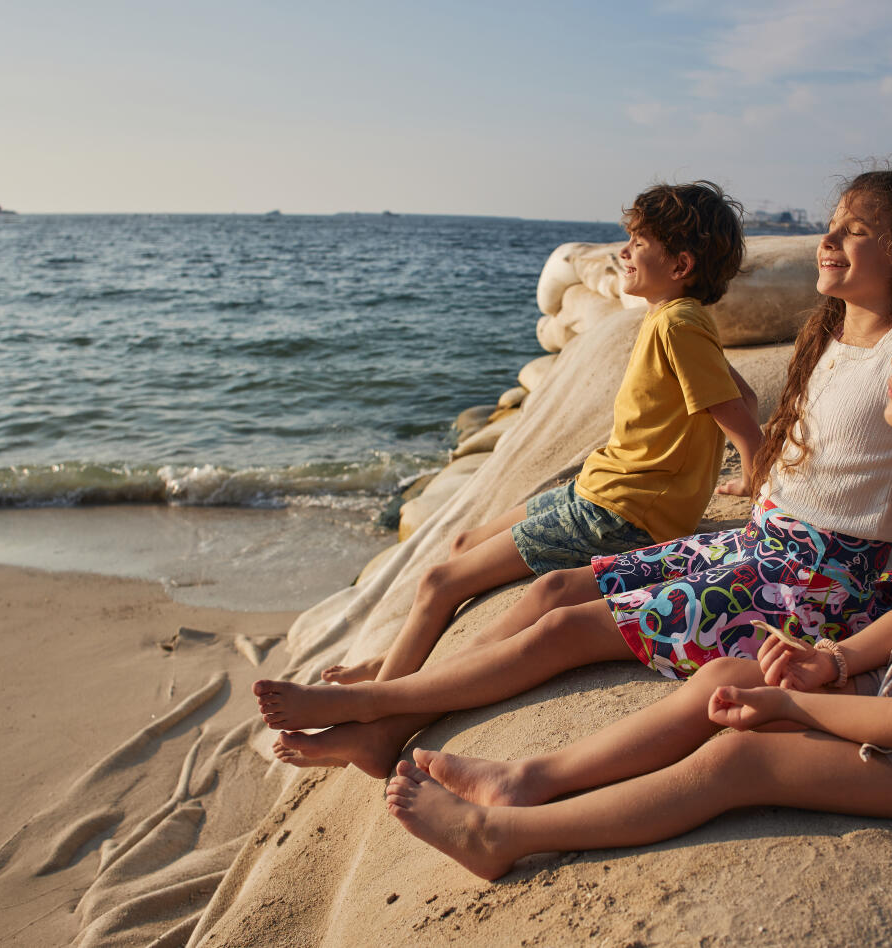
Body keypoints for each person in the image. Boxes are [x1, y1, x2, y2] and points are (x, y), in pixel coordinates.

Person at [383, 250, 892, 880]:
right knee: (725, 675)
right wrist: (831, 662)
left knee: (741, 760)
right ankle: (526, 779)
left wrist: (794, 707)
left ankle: (502, 838)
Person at [254, 169, 892, 779]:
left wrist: (874, 639)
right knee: (554, 591)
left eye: (854, 230)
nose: (828, 240)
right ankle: (388, 724)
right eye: (831, 226)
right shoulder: (827, 335)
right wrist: (761, 481)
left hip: (814, 588)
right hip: (758, 546)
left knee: (563, 632)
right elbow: (800, 442)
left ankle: (377, 707)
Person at [316, 180, 760, 688]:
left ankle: (381, 704)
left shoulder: (679, 324)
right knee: (463, 544)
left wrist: (754, 484)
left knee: (439, 582)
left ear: (680, 266)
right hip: (602, 488)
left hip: (620, 514)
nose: (623, 251)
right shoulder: (673, 317)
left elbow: (742, 423)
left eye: (639, 243)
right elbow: (742, 396)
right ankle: (396, 662)